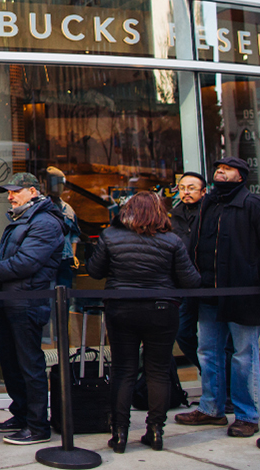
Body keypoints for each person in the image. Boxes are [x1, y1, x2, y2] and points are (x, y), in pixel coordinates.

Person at [174, 157, 260, 438]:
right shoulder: (208, 205)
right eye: (218, 169)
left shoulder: (257, 206)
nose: (220, 172)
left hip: (242, 293)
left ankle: (247, 415)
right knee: (208, 353)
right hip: (208, 293)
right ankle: (211, 408)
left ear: (241, 176)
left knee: (243, 357)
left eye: (227, 169)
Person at [87, 192, 200, 453]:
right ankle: (156, 431)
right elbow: (191, 281)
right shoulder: (172, 240)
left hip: (121, 309)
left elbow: (94, 271)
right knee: (158, 371)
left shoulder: (111, 236)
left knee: (123, 370)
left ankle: (119, 433)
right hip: (162, 309)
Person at [0, 171, 65, 446]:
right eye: (9, 192)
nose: (10, 196)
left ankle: (38, 425)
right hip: (9, 301)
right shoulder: (21, 221)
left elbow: (25, 263)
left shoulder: (45, 223)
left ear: (33, 191)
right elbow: (2, 255)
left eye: (16, 191)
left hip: (27, 303)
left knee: (29, 364)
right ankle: (22, 415)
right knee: (11, 362)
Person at [169, 172, 206, 370]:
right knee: (182, 331)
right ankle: (205, 368)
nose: (186, 192)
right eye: (182, 188)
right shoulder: (175, 214)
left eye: (191, 188)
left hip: (208, 281)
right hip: (183, 283)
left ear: (204, 191)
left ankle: (220, 381)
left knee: (214, 337)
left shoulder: (211, 213)